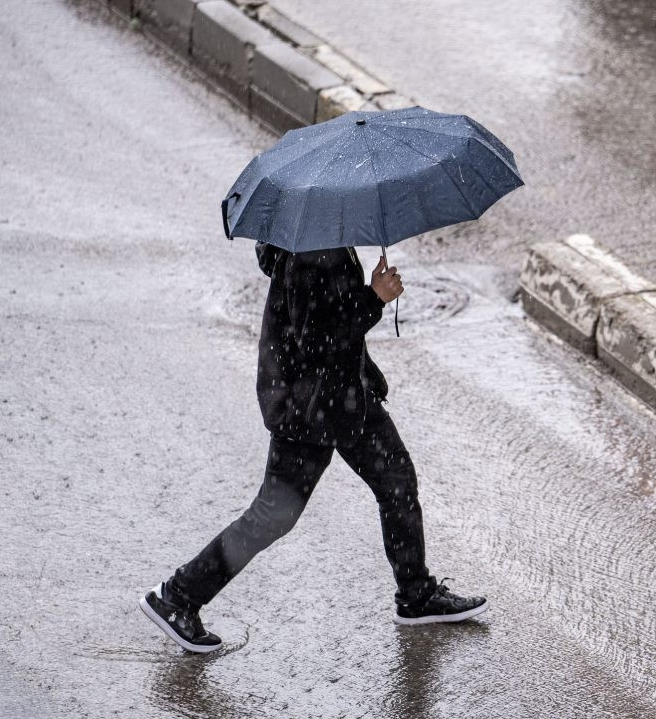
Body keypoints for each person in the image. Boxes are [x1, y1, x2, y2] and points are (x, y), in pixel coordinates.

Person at [139, 243, 487, 653]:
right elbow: (318, 343)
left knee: (397, 481)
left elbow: (328, 324)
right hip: (308, 408)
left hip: (345, 397)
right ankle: (178, 596)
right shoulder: (312, 253)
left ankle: (416, 595)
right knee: (273, 516)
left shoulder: (325, 241)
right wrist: (374, 297)